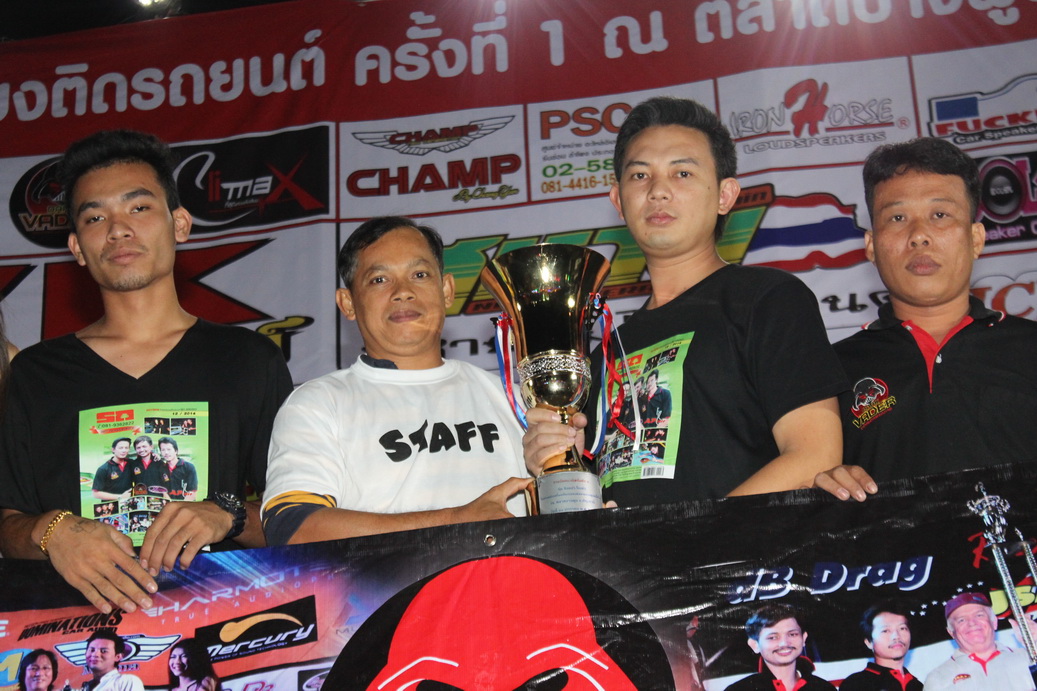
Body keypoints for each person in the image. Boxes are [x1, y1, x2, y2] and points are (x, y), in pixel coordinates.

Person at [0, 130, 293, 614]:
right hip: (68, 634)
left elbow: (298, 520)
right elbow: (8, 525)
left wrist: (226, 515)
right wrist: (52, 531)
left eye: (138, 208)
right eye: (95, 217)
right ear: (77, 247)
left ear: (180, 223)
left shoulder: (248, 359)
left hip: (214, 620)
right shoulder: (35, 373)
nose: (118, 229)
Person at [523, 96, 846, 505]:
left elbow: (814, 457)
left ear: (725, 195)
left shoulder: (768, 300)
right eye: (640, 175)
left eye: (682, 173)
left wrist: (689, 537)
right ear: (618, 200)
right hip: (631, 549)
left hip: (744, 547)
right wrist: (560, 465)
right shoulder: (604, 353)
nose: (658, 191)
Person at [262, 216, 530, 544]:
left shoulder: (514, 398)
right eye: (379, 279)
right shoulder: (317, 404)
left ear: (447, 290)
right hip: (385, 581)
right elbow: (293, 528)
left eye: (419, 275)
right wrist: (456, 521)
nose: (403, 292)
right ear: (348, 303)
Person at [814, 137, 1037, 501]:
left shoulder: (1030, 348)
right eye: (897, 218)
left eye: (940, 215)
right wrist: (821, 485)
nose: (919, 236)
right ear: (871, 245)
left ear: (975, 238)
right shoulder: (828, 373)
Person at [924, 592, 1036, 690]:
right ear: (951, 632)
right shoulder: (938, 678)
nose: (972, 623)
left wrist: (1035, 642)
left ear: (994, 622)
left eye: (979, 615)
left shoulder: (1028, 658)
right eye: (961, 620)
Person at [726, 604, 834, 691]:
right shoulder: (739, 689)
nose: (784, 643)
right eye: (773, 637)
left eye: (792, 634)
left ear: (804, 639)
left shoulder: (823, 688)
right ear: (755, 645)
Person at [839, 602, 922, 691]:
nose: (896, 636)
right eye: (885, 631)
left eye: (902, 628)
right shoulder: (856, 684)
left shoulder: (918, 686)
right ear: (869, 642)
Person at [157, 437, 198, 501]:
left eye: (169, 449)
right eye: (163, 450)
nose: (166, 452)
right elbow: (163, 491)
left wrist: (181, 506)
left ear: (176, 451)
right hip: (170, 505)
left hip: (186, 505)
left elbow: (192, 492)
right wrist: (170, 504)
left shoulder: (189, 467)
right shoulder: (161, 469)